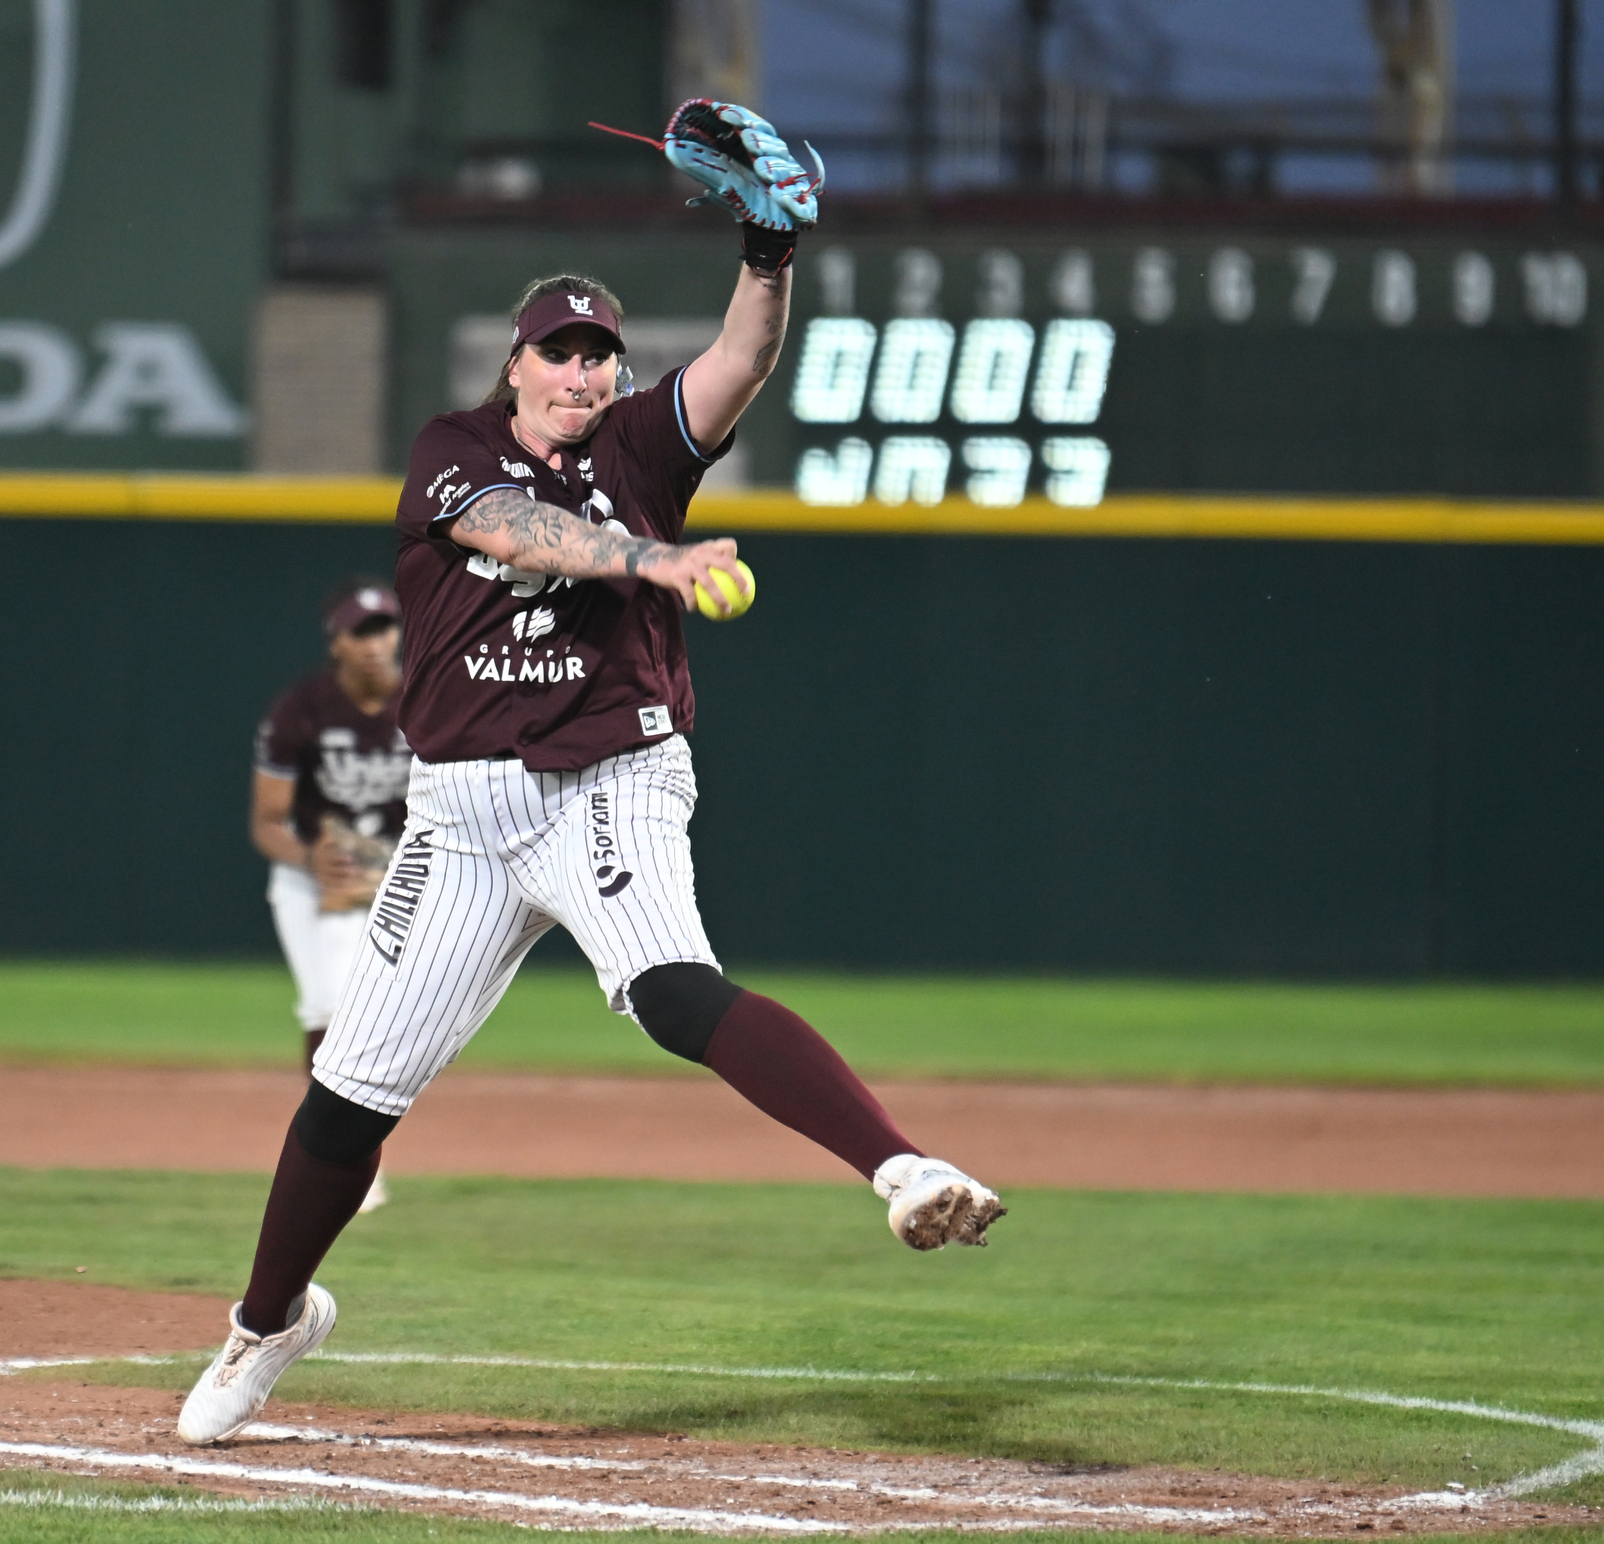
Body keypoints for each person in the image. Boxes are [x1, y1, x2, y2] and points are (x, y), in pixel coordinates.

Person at [178, 101, 1002, 1446]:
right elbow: (517, 531)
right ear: (515, 367)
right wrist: (647, 559)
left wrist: (770, 249)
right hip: (458, 815)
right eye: (558, 351)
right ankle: (269, 1323)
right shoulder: (456, 452)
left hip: (609, 783)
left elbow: (742, 357)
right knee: (346, 1101)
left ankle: (902, 1169)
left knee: (674, 989)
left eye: (597, 355)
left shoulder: (641, 452)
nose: (578, 371)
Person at [251, 580, 411, 1211]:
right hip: (312, 878)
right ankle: (338, 1162)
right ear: (337, 644)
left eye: (384, 628)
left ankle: (345, 1159)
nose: (376, 644)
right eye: (360, 632)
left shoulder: (425, 701)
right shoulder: (302, 709)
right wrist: (310, 858)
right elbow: (268, 820)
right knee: (328, 1009)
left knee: (372, 1016)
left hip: (399, 870)